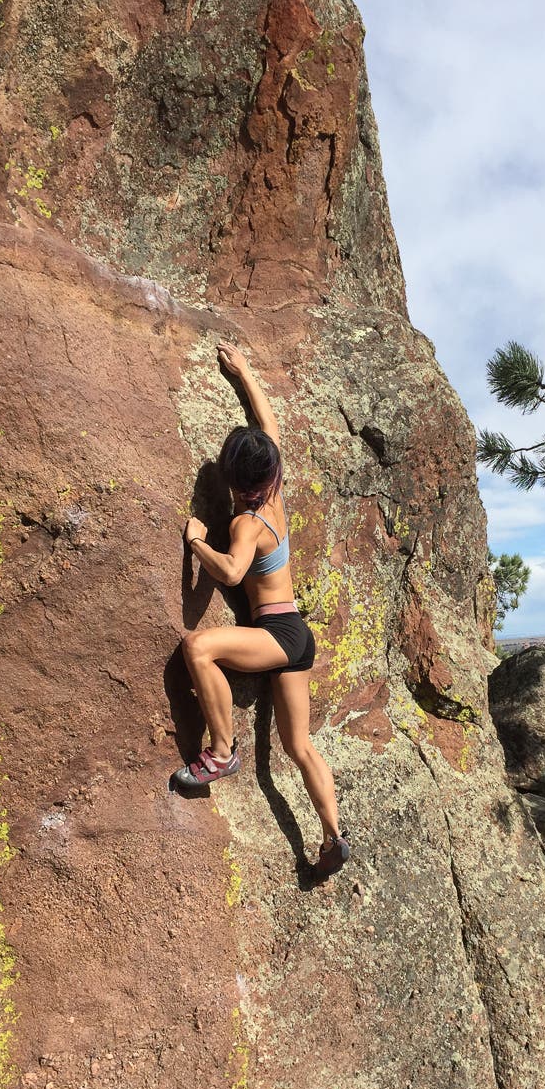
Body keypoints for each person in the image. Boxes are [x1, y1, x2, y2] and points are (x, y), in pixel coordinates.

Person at [172, 343, 350, 879]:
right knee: (298, 747)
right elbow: (267, 423)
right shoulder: (276, 492)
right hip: (296, 632)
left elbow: (229, 573)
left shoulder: (247, 522)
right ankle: (333, 835)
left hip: (274, 631)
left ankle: (222, 754)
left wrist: (197, 541)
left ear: (233, 481)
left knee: (198, 647)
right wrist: (243, 372)